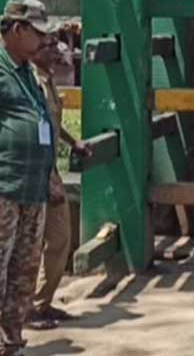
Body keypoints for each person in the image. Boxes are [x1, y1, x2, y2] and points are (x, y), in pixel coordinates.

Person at [0, 0, 58, 356]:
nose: (44, 40)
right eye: (37, 33)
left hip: (33, 189)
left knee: (24, 270)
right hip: (5, 188)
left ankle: (12, 340)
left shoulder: (26, 73)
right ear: (17, 30)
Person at [26, 37, 92, 329]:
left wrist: (71, 141)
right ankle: (23, 310)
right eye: (48, 45)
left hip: (50, 171)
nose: (55, 50)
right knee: (28, 244)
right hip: (30, 172)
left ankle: (41, 303)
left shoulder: (48, 80)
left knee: (61, 236)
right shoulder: (25, 80)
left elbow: (49, 122)